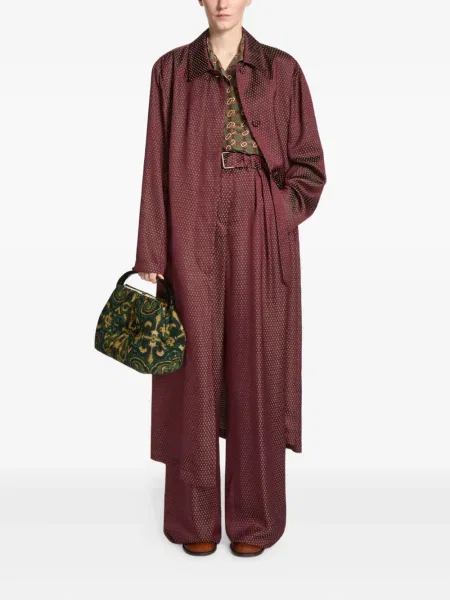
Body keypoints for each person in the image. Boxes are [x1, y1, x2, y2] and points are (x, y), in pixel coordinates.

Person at [132, 0, 327, 557]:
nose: (222, 2)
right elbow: (154, 166)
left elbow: (310, 167)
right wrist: (152, 252)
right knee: (189, 368)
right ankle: (192, 518)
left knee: (257, 366)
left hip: (259, 224)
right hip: (190, 218)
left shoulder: (282, 70)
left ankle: (254, 520)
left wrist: (275, 210)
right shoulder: (170, 71)